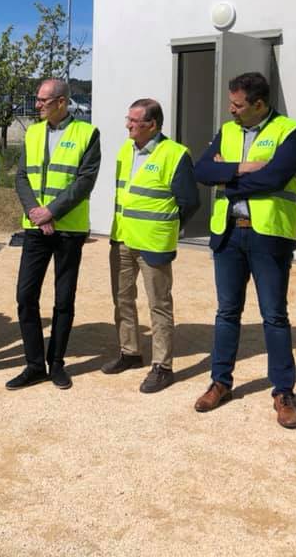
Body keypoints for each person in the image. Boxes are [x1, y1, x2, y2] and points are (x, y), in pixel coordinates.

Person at [192, 72, 296, 428]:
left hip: (268, 235)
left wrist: (225, 177)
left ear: (259, 105)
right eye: (231, 102)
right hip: (229, 233)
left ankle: (283, 392)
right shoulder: (227, 131)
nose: (231, 110)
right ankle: (220, 382)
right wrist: (243, 168)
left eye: (238, 104)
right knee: (227, 312)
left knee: (274, 315)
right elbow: (200, 170)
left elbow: (275, 178)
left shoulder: (293, 132)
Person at [5, 79, 100, 391]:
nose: (37, 106)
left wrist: (53, 212)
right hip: (35, 228)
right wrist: (36, 211)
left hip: (68, 230)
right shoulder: (33, 133)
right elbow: (22, 176)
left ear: (61, 102)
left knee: (64, 298)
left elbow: (85, 181)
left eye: (42, 100)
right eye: (37, 100)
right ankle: (34, 364)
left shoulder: (87, 133)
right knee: (25, 296)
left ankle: (56, 363)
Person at [102, 98, 199, 393]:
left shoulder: (175, 154)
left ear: (152, 125)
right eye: (128, 119)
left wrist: (164, 227)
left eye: (134, 121)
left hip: (153, 243)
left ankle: (163, 366)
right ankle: (130, 352)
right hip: (122, 238)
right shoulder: (125, 150)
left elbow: (189, 202)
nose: (128, 125)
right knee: (123, 300)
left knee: (159, 305)